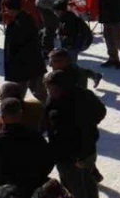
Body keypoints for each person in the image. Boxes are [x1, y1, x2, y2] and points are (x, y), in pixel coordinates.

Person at [44, 70, 106, 198]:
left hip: (78, 156)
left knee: (80, 188)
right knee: (79, 184)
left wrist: (80, 157)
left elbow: (97, 116)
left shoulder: (81, 99)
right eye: (48, 88)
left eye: (53, 89)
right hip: (64, 154)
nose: (50, 92)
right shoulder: (53, 99)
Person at [0, 97, 55, 197]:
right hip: (31, 191)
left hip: (3, 193)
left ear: (2, 118)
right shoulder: (36, 137)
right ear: (21, 114)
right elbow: (48, 162)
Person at [3, 0, 47, 103]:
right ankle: (48, 110)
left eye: (7, 9)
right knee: (40, 92)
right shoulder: (27, 19)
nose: (6, 11)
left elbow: (15, 46)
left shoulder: (17, 25)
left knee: (17, 95)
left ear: (12, 9)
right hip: (34, 64)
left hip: (22, 67)